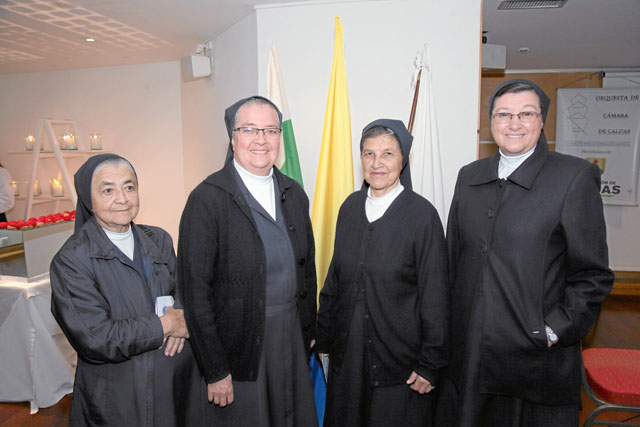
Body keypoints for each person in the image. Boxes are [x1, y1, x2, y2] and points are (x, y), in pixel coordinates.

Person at [435, 79, 614, 426]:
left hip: (535, 362)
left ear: (541, 120)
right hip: (469, 356)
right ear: (491, 122)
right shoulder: (469, 177)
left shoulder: (574, 176)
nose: (514, 123)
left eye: (526, 114)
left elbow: (593, 275)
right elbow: (453, 261)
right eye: (504, 114)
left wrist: (551, 331)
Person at [178, 96, 318, 426]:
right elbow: (195, 295)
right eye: (249, 129)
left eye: (270, 130)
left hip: (291, 339)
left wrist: (309, 329)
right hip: (239, 347)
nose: (260, 139)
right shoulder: (206, 199)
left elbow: (307, 268)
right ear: (232, 137)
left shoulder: (293, 192)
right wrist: (215, 370)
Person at [50, 154, 205, 426]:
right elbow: (96, 338)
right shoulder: (71, 261)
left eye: (129, 186)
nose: (122, 198)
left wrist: (183, 314)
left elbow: (183, 290)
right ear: (88, 198)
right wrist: (165, 325)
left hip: (175, 391)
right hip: (119, 400)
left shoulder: (158, 239)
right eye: (108, 189)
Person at [315, 119, 449, 427]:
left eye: (388, 154)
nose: (377, 163)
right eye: (368, 154)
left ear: (403, 159)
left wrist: (430, 363)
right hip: (347, 359)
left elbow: (436, 296)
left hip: (400, 365)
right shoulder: (348, 208)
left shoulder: (422, 216)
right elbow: (335, 281)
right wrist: (323, 341)